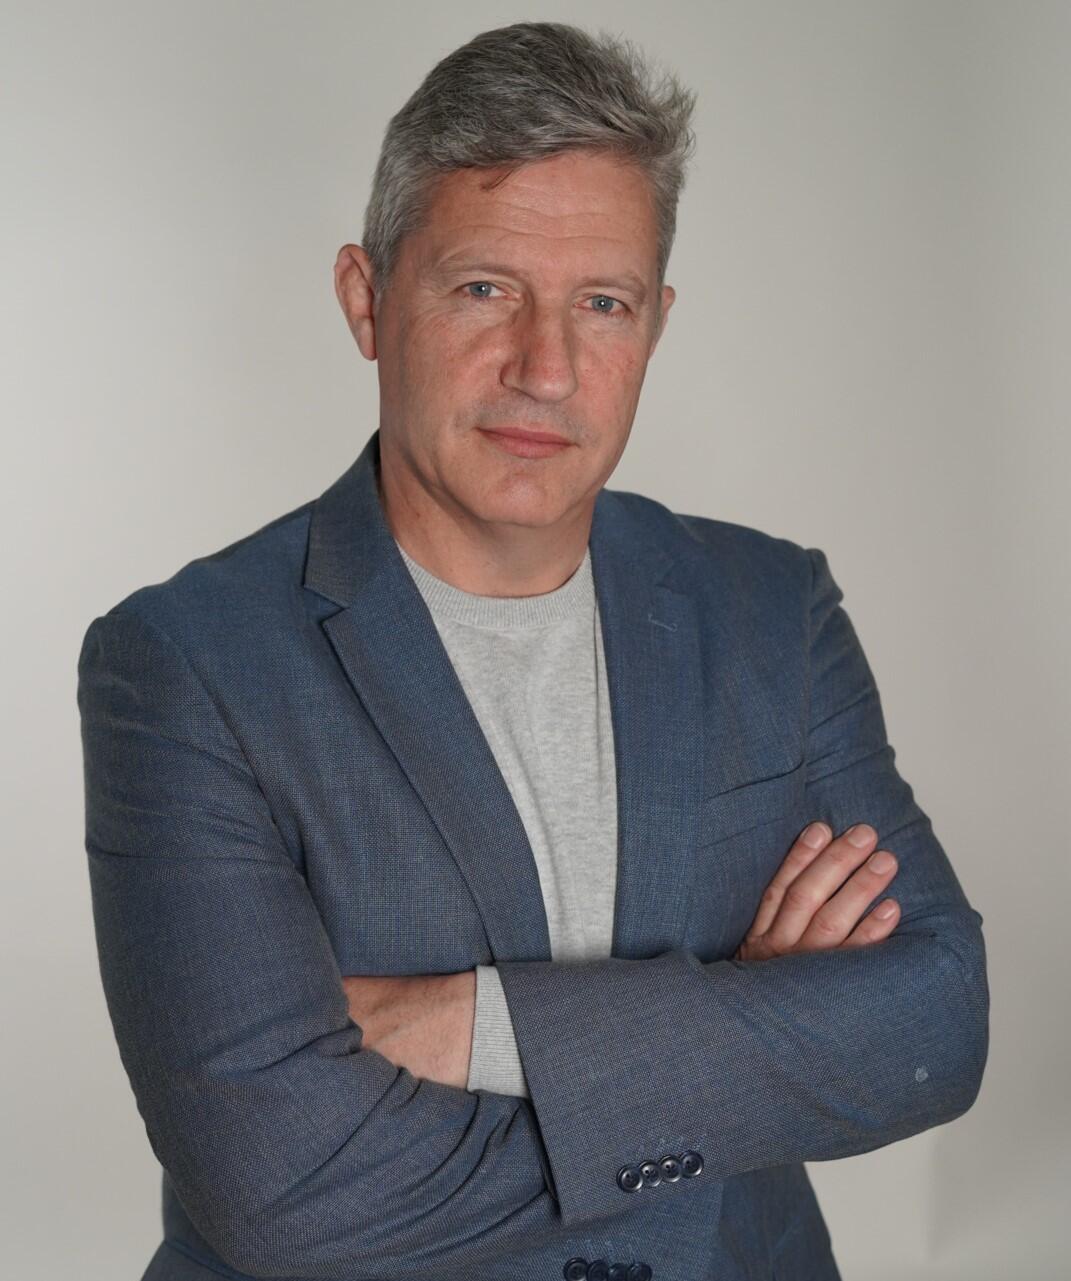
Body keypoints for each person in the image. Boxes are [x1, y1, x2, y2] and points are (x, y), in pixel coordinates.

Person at [77, 21, 989, 1281]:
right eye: (484, 289)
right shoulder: (183, 665)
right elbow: (278, 1192)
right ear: (366, 299)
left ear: (655, 325)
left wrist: (480, 1024)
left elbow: (938, 1023)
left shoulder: (773, 608)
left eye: (602, 304)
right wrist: (741, 1039)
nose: (546, 368)